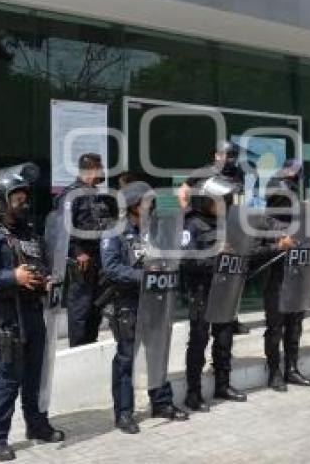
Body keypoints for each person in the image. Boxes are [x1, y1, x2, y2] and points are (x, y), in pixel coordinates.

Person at [0, 163, 65, 461]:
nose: (23, 201)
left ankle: (36, 425)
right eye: (16, 196)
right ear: (1, 199)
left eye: (24, 195)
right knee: (8, 380)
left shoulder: (30, 233)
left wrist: (45, 280)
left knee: (35, 376)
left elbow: (40, 266)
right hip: (6, 318)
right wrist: (13, 278)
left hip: (33, 314)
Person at [100, 181, 188, 434]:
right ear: (133, 207)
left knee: (158, 355)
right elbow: (111, 268)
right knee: (126, 359)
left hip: (156, 301)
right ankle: (124, 413)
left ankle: (161, 403)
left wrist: (182, 196)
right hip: (128, 304)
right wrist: (143, 276)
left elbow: (176, 207)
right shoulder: (114, 231)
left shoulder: (154, 228)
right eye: (146, 202)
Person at [181, 175, 254, 411]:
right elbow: (186, 261)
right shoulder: (191, 224)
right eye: (219, 200)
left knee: (224, 339)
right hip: (202, 291)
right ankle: (193, 394)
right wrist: (215, 255)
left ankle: (223, 384)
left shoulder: (226, 224)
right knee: (199, 341)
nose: (224, 204)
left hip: (224, 289)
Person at [177, 141, 250, 336]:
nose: (231, 159)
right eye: (228, 155)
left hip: (227, 223)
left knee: (232, 271)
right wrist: (188, 213)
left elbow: (239, 197)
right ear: (217, 155)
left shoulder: (237, 174)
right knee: (204, 270)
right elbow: (183, 190)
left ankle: (231, 318)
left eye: (234, 156)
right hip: (204, 224)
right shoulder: (204, 171)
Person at [261, 159, 310, 391]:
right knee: (275, 327)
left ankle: (291, 368)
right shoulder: (265, 222)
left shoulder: (298, 220)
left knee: (295, 325)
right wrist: (278, 243)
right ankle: (274, 372)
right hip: (278, 279)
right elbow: (257, 250)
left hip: (298, 276)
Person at [55, 153, 112, 347]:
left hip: (99, 258)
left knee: (96, 307)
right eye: (100, 166)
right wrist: (78, 251)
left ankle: (90, 345)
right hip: (81, 260)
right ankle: (77, 348)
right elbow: (64, 227)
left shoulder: (97, 195)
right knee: (81, 307)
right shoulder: (71, 194)